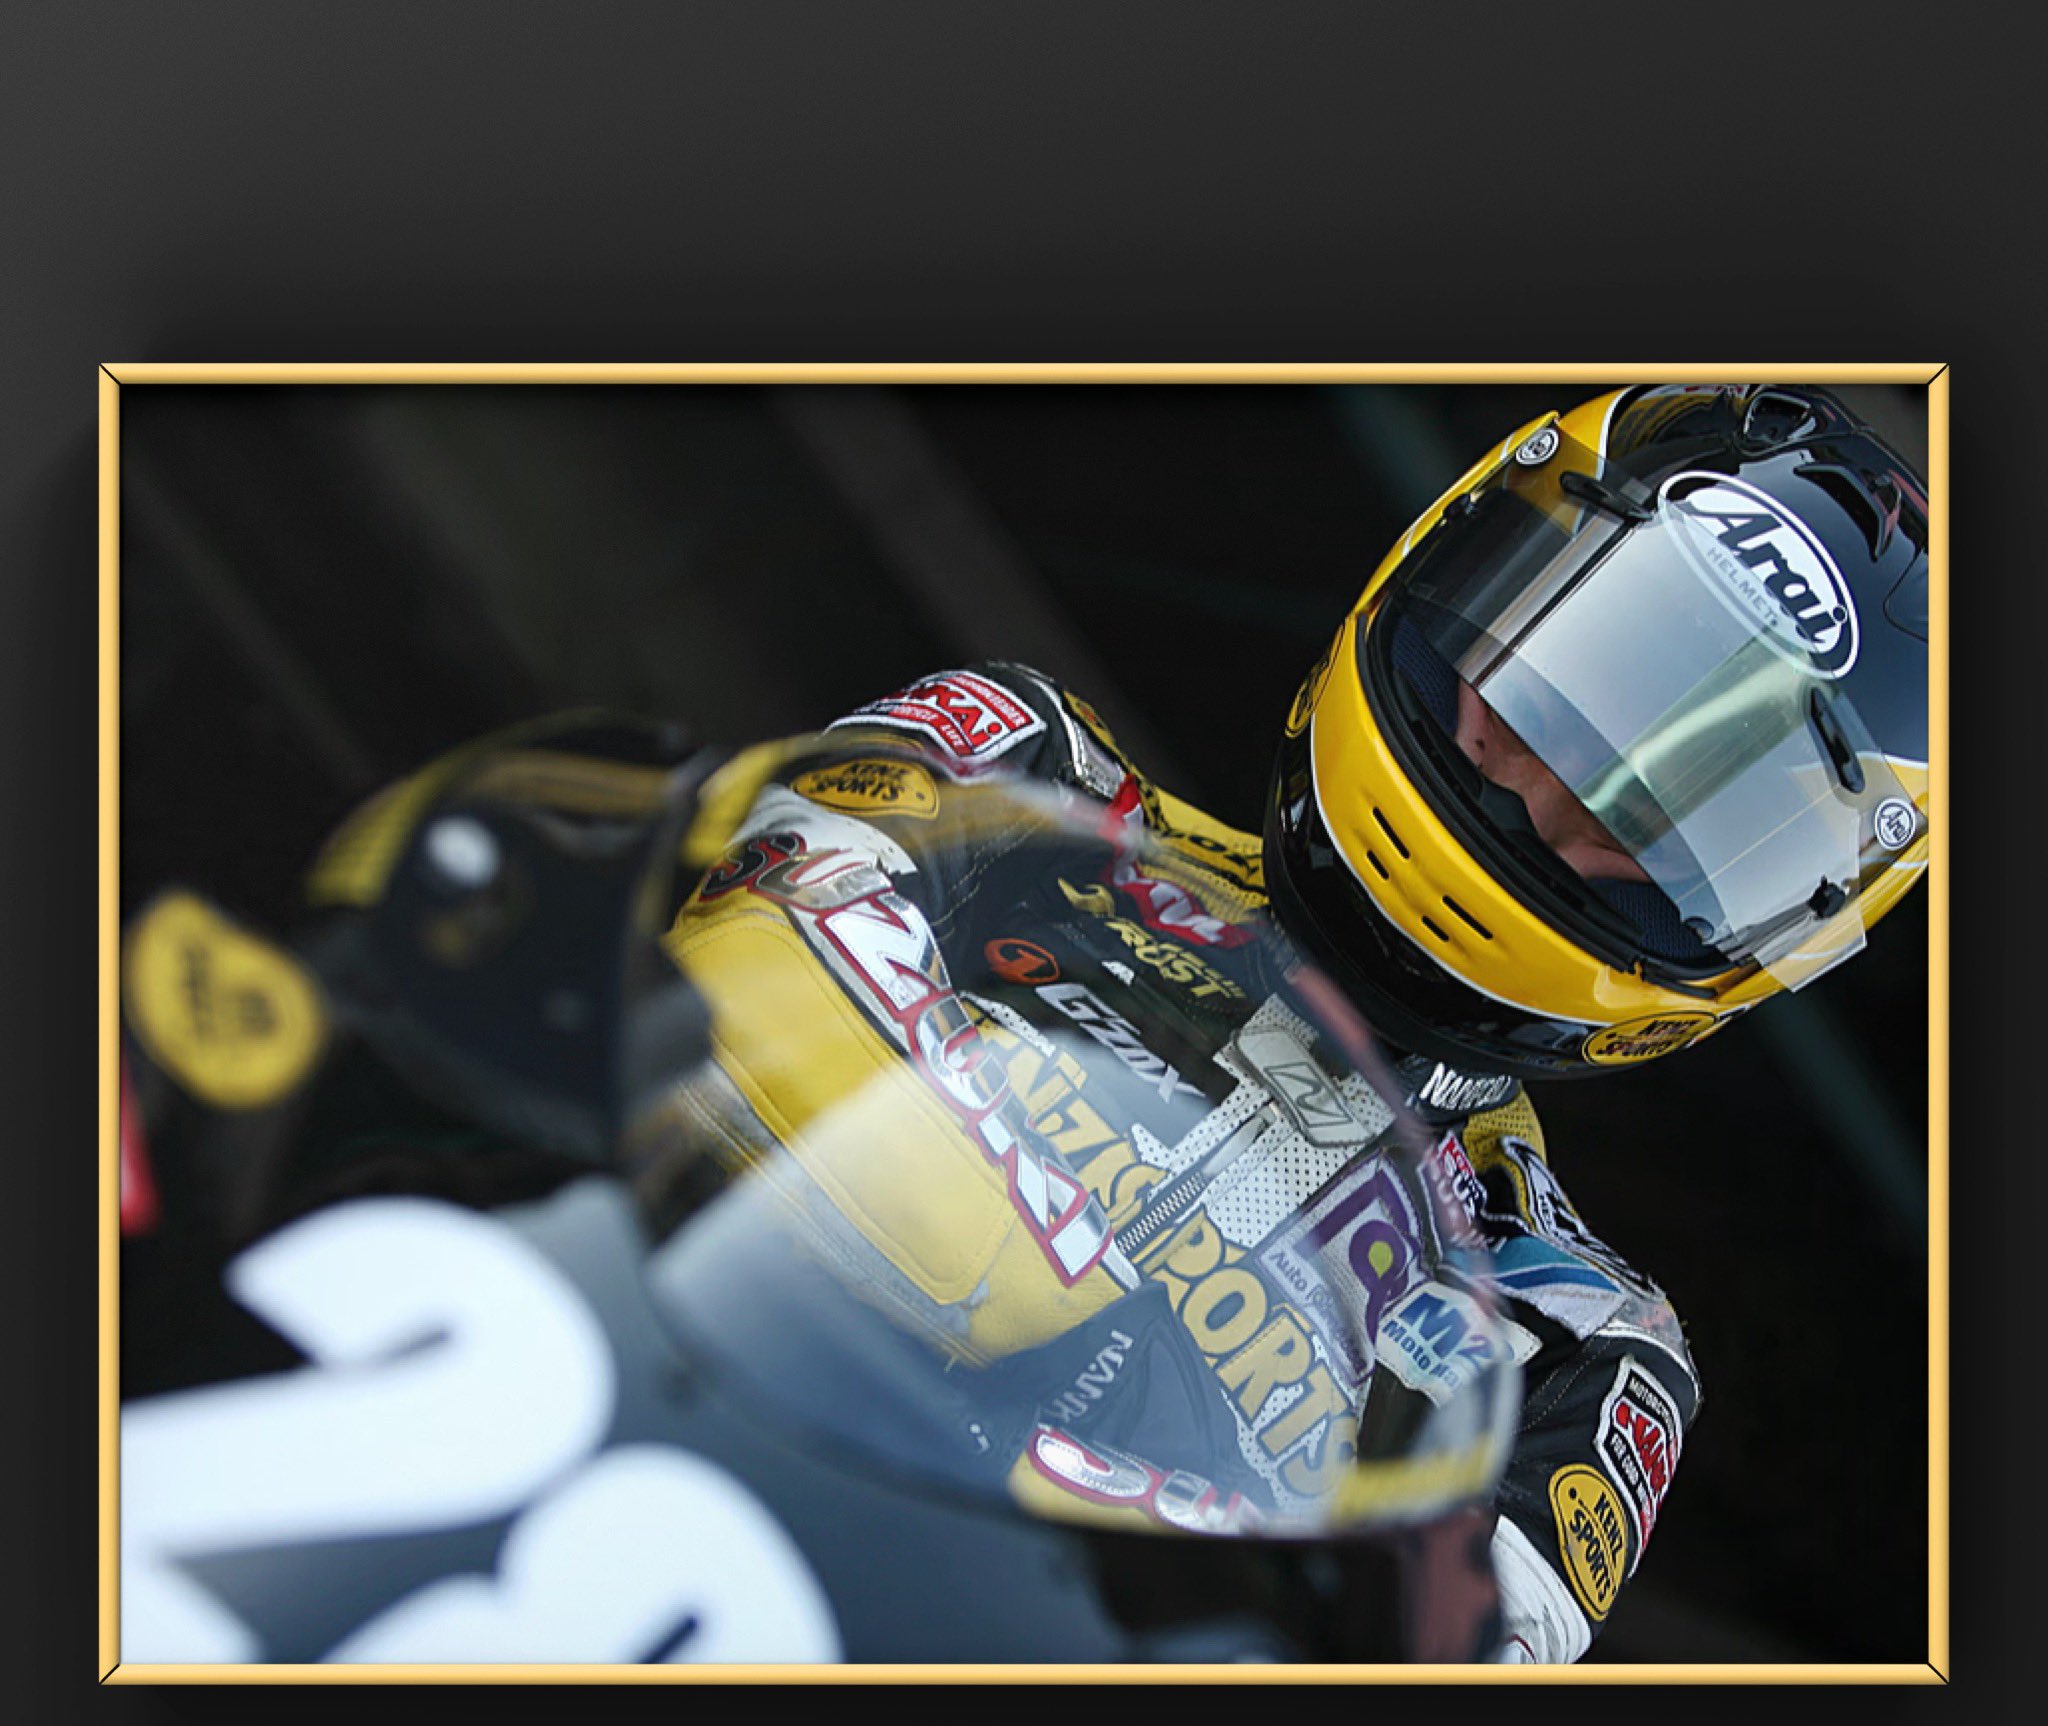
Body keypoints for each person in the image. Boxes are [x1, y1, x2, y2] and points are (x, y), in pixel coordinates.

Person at [661, 381, 1930, 1660]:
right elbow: (729, 985)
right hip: (632, 1399)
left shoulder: (1584, 1340)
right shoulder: (1029, 767)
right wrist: (1053, 1312)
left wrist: (1088, 1474)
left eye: (1647, 808)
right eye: (1544, 685)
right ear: (1455, 560)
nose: (1537, 785)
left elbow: (1418, 1666)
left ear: (1775, 927)